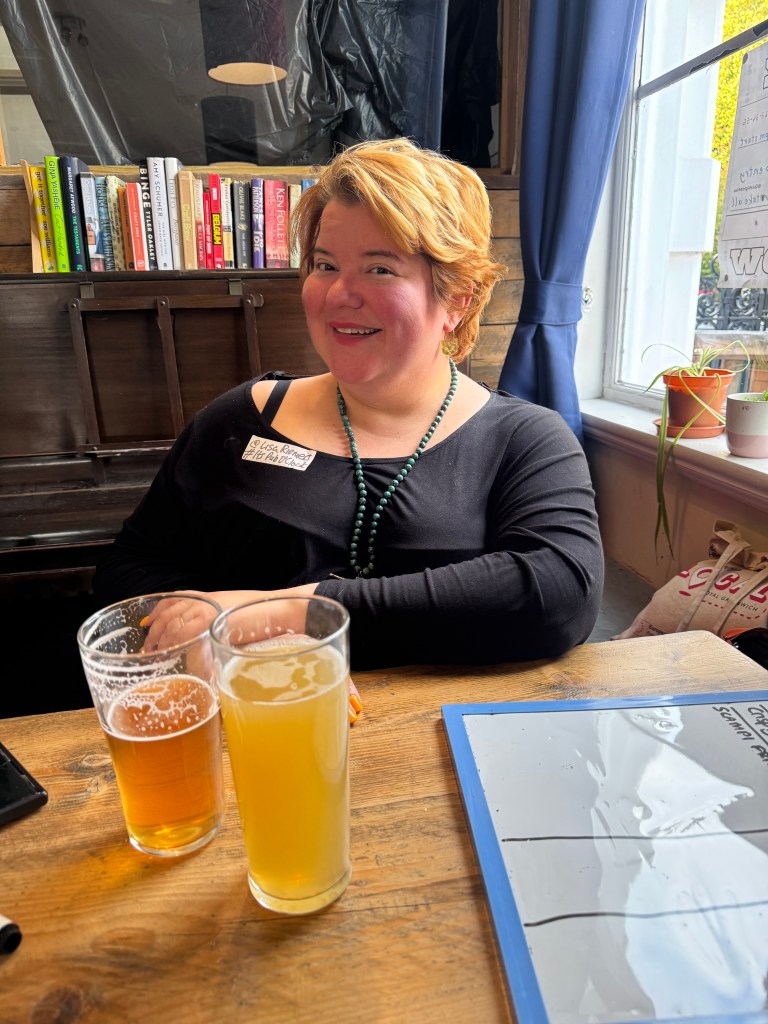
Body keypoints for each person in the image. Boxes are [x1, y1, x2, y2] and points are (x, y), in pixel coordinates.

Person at [93, 137, 604, 670]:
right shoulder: (237, 421)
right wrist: (193, 635)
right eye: (325, 265)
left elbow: (560, 594)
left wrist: (280, 615)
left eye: (380, 268)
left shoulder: (527, 440)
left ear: (458, 297)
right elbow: (131, 566)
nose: (340, 294)